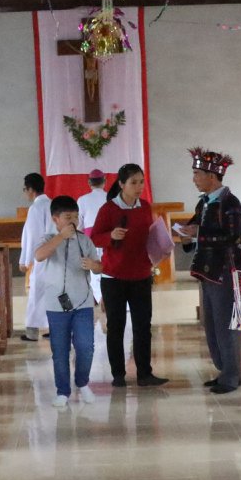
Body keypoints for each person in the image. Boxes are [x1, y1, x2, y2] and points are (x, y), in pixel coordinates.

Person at [90, 163, 171, 388]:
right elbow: (95, 237)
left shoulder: (144, 207)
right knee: (116, 326)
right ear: (121, 184)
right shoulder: (108, 209)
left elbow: (150, 235)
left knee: (143, 325)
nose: (139, 187)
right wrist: (111, 236)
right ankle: (118, 374)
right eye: (134, 182)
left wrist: (162, 246)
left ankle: (145, 373)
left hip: (141, 274)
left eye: (141, 182)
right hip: (114, 277)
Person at [181, 147, 241, 394]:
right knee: (211, 326)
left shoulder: (230, 202)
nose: (194, 179)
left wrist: (198, 233)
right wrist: (186, 236)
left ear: (212, 176)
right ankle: (223, 371)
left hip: (225, 272)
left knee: (226, 326)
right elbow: (195, 230)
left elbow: (233, 236)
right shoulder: (204, 203)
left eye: (197, 174)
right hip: (207, 272)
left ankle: (231, 376)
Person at [33, 195, 101, 407]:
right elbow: (39, 256)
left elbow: (99, 266)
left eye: (76, 217)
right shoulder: (48, 239)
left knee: (86, 346)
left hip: (83, 303)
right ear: (56, 219)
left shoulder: (84, 240)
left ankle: (83, 382)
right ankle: (62, 391)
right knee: (60, 350)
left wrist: (93, 265)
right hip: (57, 305)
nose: (73, 221)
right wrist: (61, 237)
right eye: (68, 217)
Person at [19, 172, 54, 342]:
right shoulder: (52, 204)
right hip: (54, 254)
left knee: (36, 293)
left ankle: (32, 331)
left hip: (41, 255)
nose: (25, 193)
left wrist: (26, 261)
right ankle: (54, 327)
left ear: (31, 190)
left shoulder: (36, 208)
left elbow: (32, 236)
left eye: (25, 189)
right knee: (52, 292)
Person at [76, 169, 108, 305]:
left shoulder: (82, 200)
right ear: (105, 181)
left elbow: (79, 225)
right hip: (109, 239)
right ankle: (109, 298)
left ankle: (100, 298)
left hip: (91, 240)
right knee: (109, 268)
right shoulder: (111, 197)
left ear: (89, 182)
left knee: (94, 272)